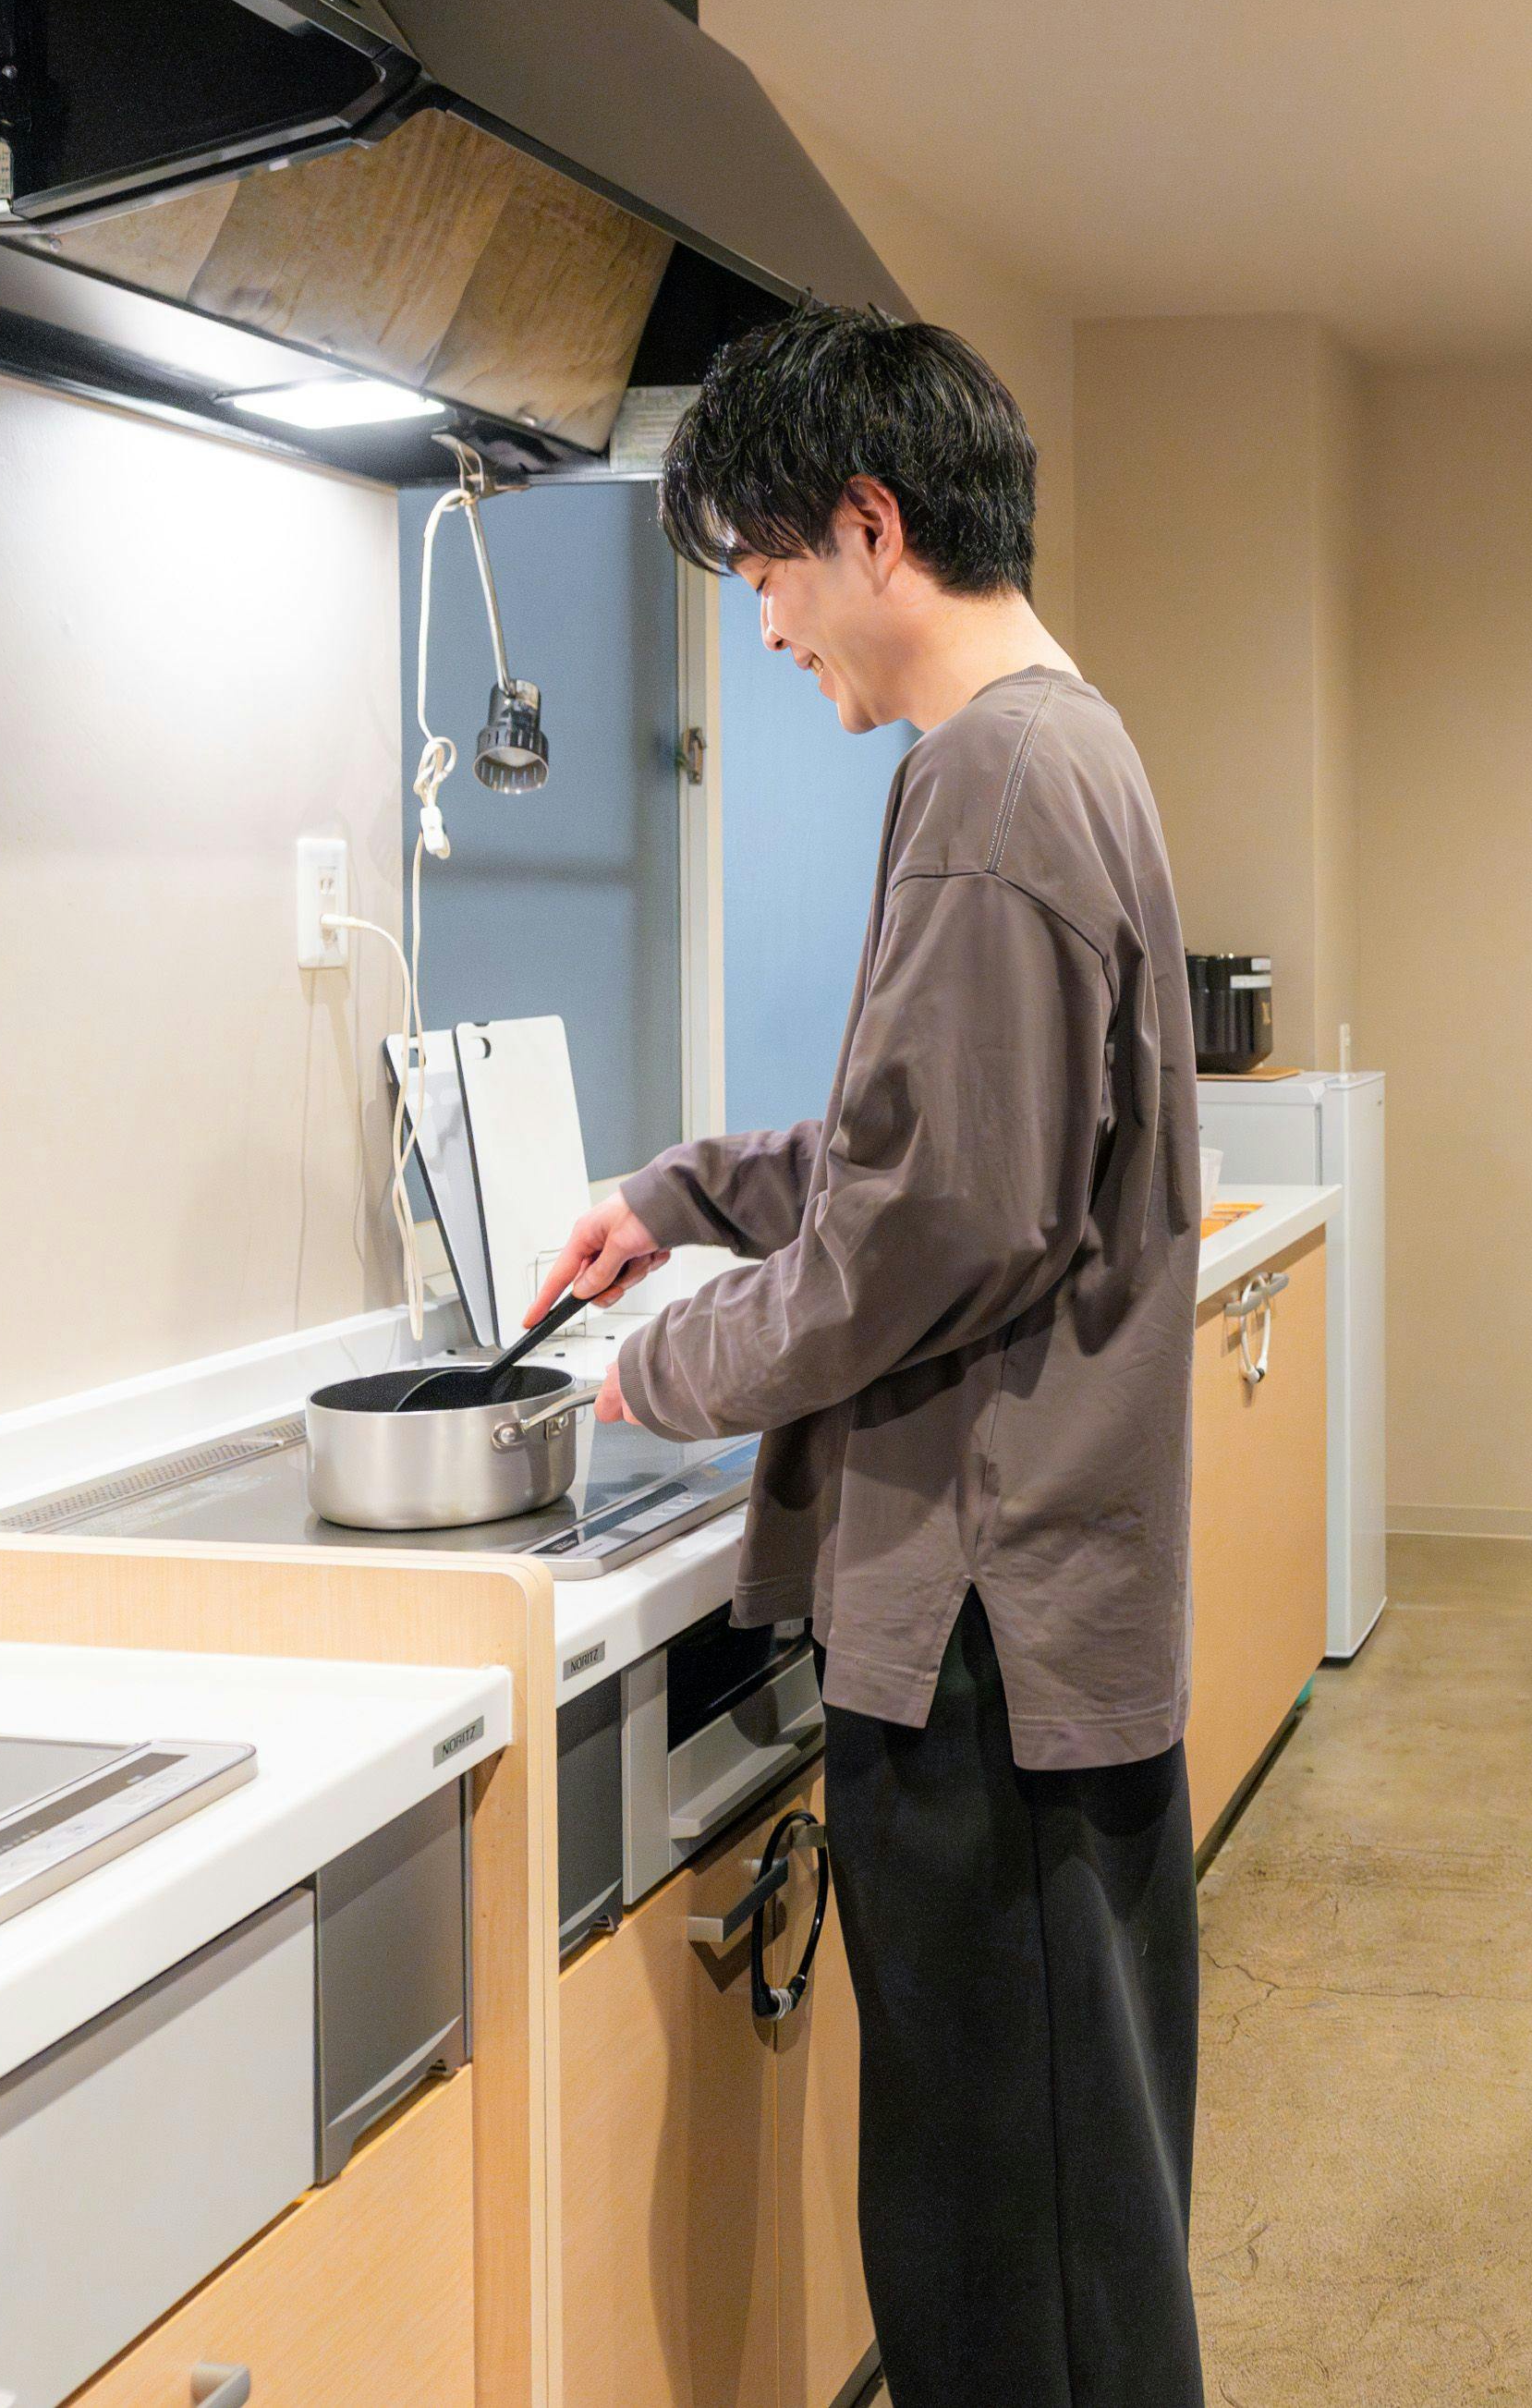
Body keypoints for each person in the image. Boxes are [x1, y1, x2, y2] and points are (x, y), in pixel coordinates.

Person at [529, 308, 1208, 2406]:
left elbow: (934, 1224)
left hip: (988, 1626)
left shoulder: (989, 779)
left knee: (1011, 2275)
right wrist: (687, 1194)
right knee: (1069, 2229)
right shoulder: (1060, 746)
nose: (760, 629)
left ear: (869, 525)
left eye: (762, 572)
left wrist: (670, 1366)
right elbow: (935, 1145)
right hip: (1046, 1609)